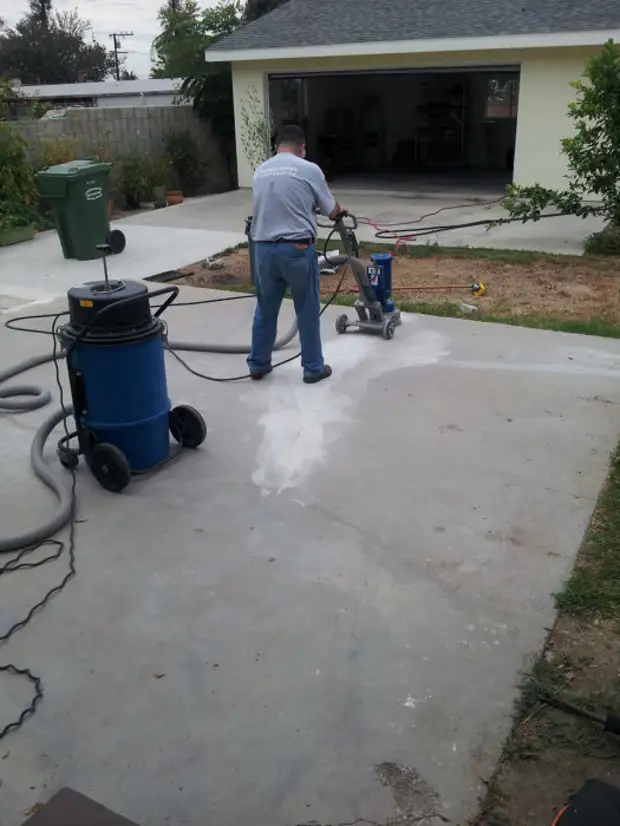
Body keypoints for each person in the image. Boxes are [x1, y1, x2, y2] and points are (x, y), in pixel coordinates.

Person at [247, 124, 347, 384]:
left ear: (276, 147)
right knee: (306, 308)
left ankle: (258, 364)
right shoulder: (309, 169)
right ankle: (313, 368)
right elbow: (329, 209)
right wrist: (338, 212)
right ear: (302, 148)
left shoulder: (261, 170)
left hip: (263, 250)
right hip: (296, 249)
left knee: (265, 309)